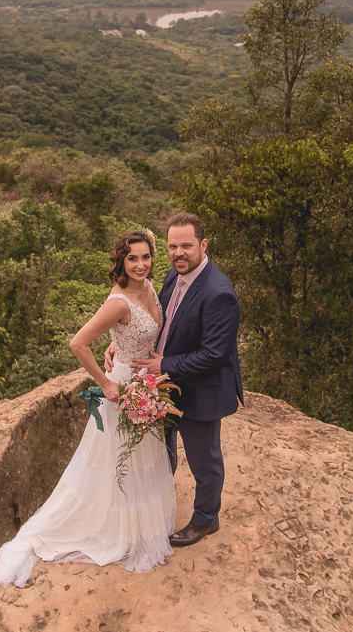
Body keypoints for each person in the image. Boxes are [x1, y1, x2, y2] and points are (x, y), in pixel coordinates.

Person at [0, 230, 176, 588]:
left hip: (146, 385)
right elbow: (77, 342)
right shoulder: (118, 302)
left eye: (146, 257)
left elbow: (132, 334)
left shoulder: (150, 288)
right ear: (121, 261)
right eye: (132, 258)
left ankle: (142, 526)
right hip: (123, 390)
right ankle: (121, 531)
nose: (140, 264)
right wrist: (106, 383)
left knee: (141, 459)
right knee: (121, 463)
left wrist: (116, 345)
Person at [113, 211, 243, 548]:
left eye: (186, 246)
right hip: (164, 388)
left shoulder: (219, 292)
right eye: (172, 246)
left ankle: (205, 520)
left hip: (201, 391)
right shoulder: (174, 275)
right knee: (163, 452)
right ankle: (160, 506)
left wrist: (165, 364)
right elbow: (158, 318)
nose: (178, 253)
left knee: (205, 460)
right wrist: (118, 341)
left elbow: (215, 354)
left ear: (203, 244)